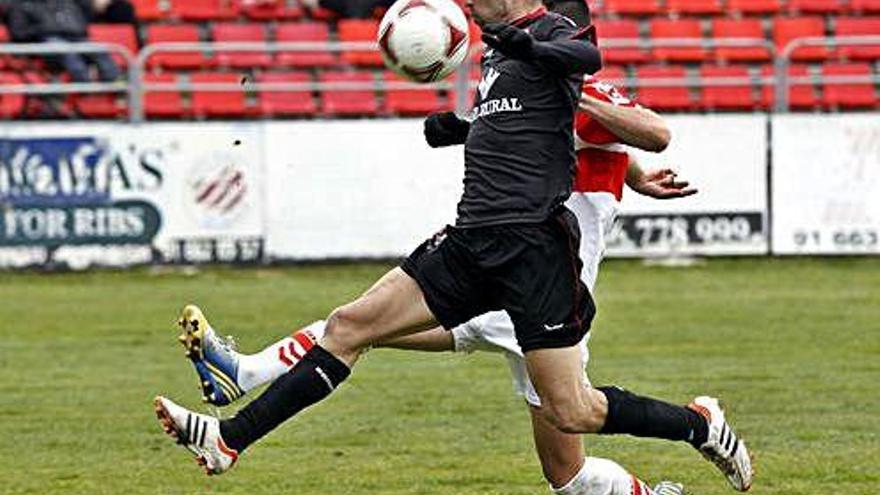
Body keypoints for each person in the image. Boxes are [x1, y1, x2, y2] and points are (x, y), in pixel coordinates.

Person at [153, 0, 751, 493]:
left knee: (571, 429)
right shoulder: (499, 58)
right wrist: (462, 128)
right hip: (473, 242)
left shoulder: (554, 50)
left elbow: (631, 111)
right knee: (351, 324)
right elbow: (535, 133)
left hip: (536, 259)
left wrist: (553, 71)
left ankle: (697, 427)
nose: (464, 5)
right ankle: (230, 436)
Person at [6, 0, 121, 82]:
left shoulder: (66, 3)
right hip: (43, 43)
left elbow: (82, 23)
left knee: (97, 49)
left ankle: (115, 83)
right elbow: (19, 32)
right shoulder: (21, 4)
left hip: (75, 38)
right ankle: (84, 82)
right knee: (62, 49)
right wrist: (43, 30)